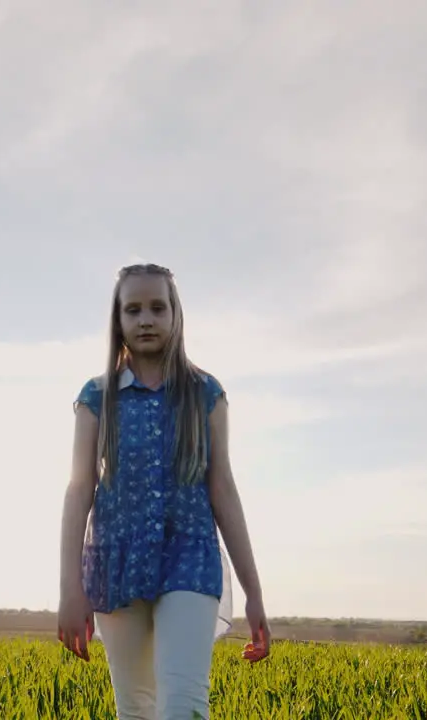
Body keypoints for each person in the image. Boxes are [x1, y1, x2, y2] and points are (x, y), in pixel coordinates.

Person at [58, 262, 270, 720]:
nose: (145, 319)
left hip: (189, 557)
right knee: (136, 708)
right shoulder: (98, 397)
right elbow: (79, 490)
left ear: (176, 315)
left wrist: (254, 592)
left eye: (157, 307)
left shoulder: (204, 393)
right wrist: (69, 589)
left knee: (184, 703)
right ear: (118, 320)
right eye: (132, 310)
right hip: (116, 560)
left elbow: (223, 488)